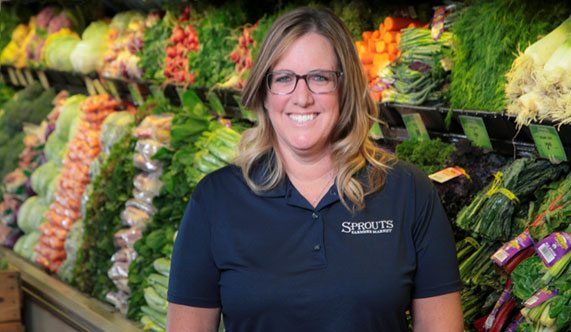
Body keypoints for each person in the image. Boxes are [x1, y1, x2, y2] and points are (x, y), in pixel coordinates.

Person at [167, 6, 463, 332]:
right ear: (265, 93)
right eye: (284, 78)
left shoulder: (409, 191)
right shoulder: (214, 200)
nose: (302, 97)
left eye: (319, 78)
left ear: (346, 88)